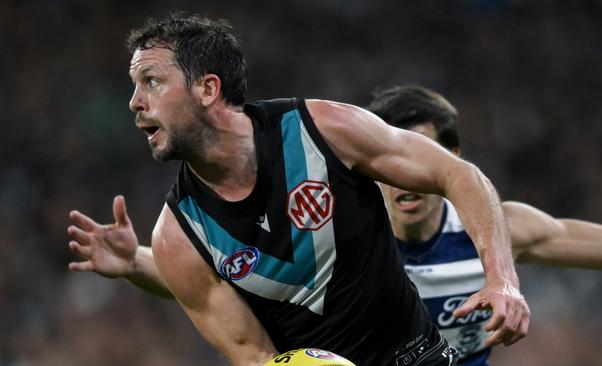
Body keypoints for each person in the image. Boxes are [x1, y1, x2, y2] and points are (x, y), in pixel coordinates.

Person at [67, 13, 529, 366]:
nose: (134, 103)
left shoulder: (324, 130)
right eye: (135, 86)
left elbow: (460, 175)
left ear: (207, 89)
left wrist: (502, 278)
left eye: (151, 82)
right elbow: (257, 357)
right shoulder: (178, 238)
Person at [366, 85, 602, 366]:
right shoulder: (343, 240)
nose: (405, 174)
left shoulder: (498, 232)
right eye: (393, 159)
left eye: (420, 155)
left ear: (451, 159)